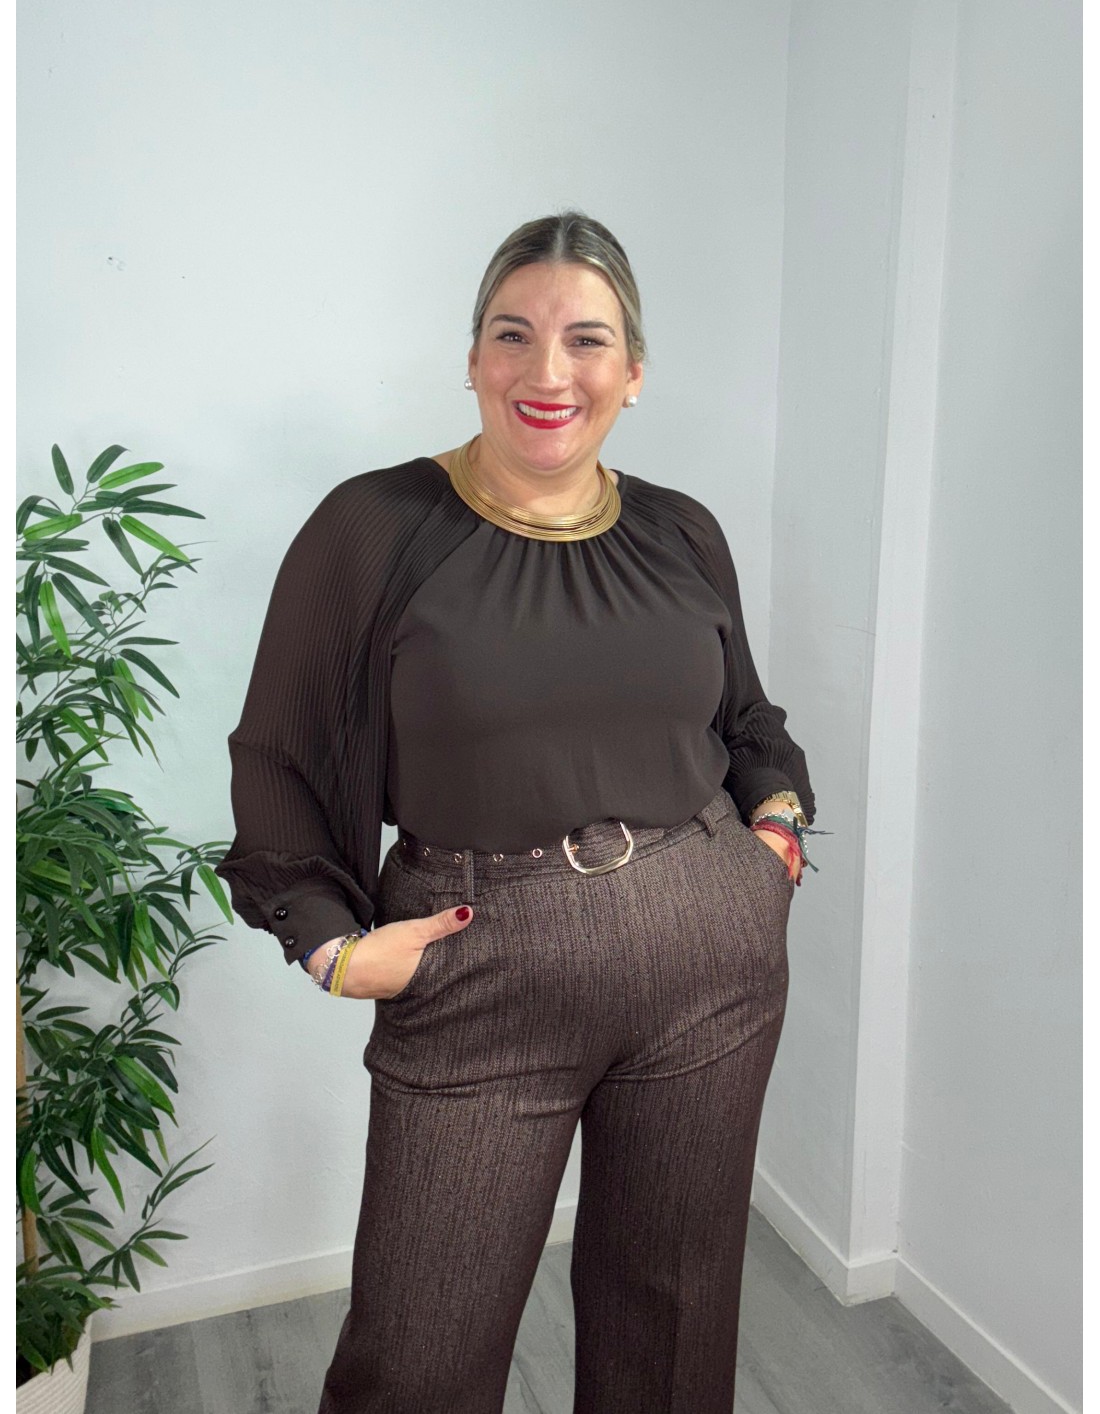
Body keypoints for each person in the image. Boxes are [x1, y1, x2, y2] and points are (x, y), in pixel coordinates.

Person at [215, 211, 817, 1414]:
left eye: (585, 340)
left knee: (672, 1326)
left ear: (631, 372)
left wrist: (773, 837)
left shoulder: (679, 530)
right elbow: (278, 755)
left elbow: (745, 717)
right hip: (479, 960)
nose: (548, 371)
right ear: (473, 358)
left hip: (708, 947)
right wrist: (330, 945)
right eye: (513, 334)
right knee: (417, 1361)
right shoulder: (374, 528)